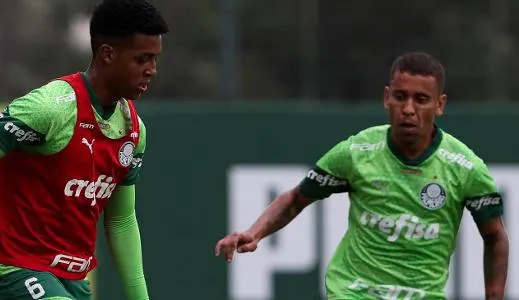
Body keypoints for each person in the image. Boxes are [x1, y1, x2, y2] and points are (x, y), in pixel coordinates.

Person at [214, 52, 509, 299]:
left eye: (421, 99)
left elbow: (495, 237)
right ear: (386, 98)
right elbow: (295, 199)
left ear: (440, 105)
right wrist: (254, 232)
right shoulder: (356, 152)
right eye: (400, 97)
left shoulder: (465, 167)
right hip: (353, 291)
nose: (408, 109)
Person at [0, 0, 169, 299]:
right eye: (142, 59)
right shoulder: (51, 107)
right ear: (108, 54)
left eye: (155, 59)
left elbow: (121, 220)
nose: (152, 70)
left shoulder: (134, 130)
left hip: (73, 279)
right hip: (14, 271)